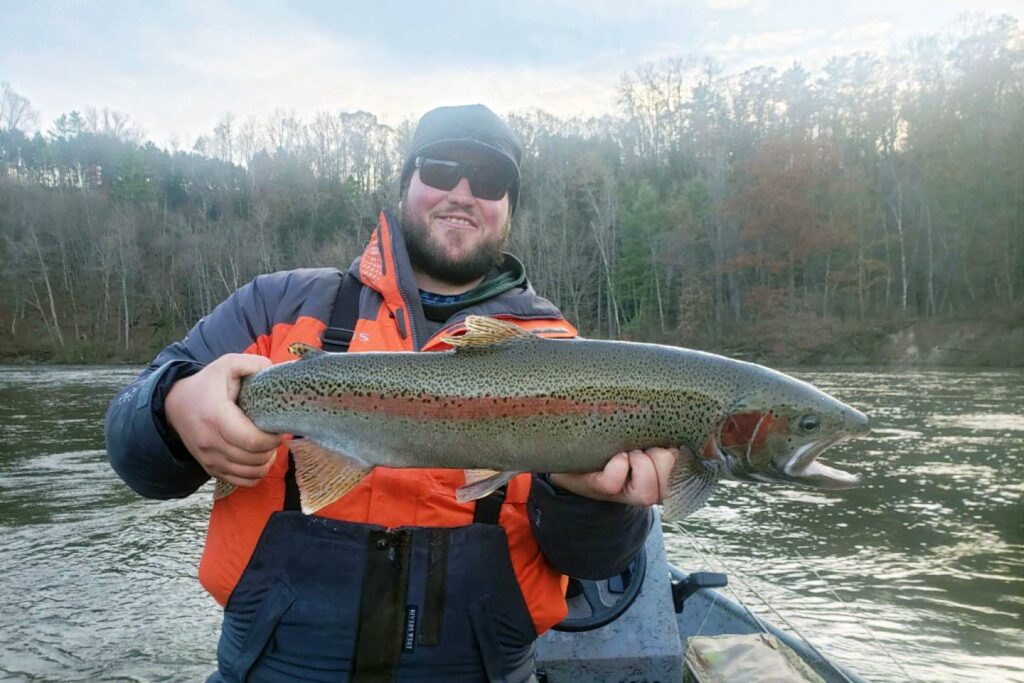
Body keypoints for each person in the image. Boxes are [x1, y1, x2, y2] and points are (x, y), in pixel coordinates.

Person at [105, 104, 678, 682]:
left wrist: (596, 502)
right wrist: (173, 405)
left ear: (508, 205)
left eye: (488, 179)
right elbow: (135, 458)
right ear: (405, 184)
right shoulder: (276, 306)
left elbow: (595, 563)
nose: (462, 191)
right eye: (440, 169)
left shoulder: (569, 359)